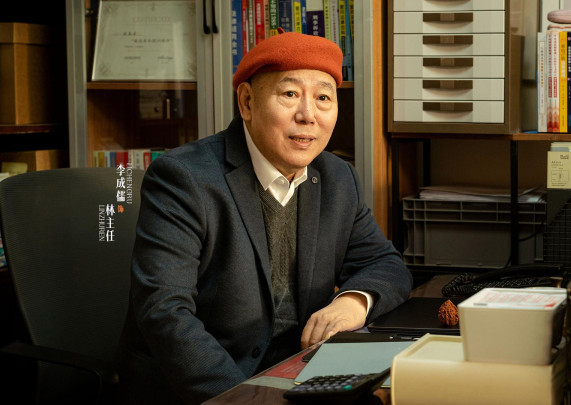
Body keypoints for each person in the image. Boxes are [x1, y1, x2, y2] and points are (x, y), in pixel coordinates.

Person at [117, 31, 412, 404]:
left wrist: (352, 301)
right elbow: (165, 313)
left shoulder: (337, 178)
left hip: (299, 378)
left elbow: (385, 263)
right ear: (246, 102)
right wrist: (242, 398)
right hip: (207, 389)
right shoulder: (184, 178)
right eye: (289, 94)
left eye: (323, 98)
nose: (308, 115)